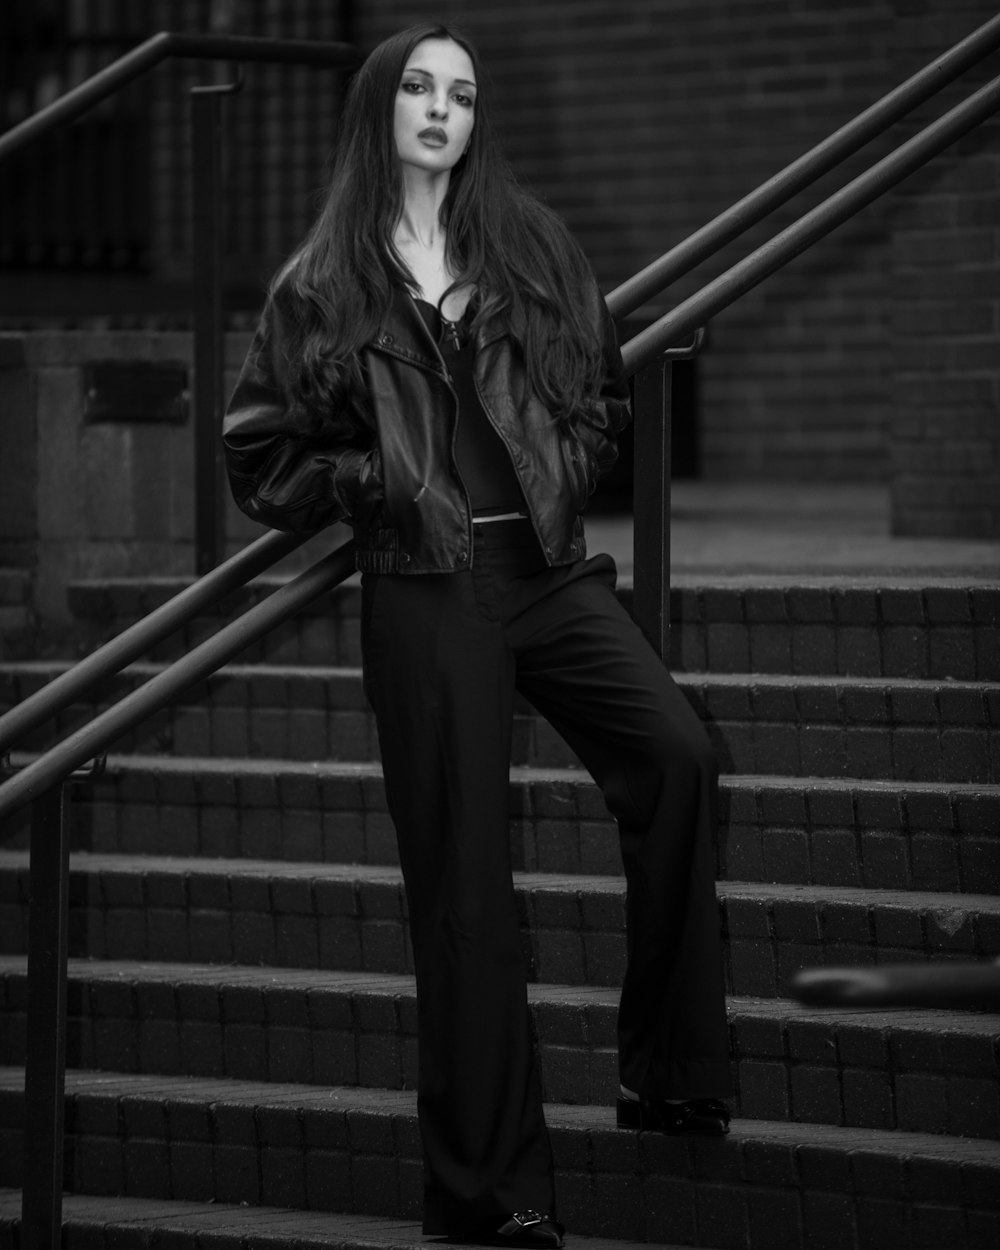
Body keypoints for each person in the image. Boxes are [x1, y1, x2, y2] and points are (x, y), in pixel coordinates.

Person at [223, 22, 732, 1248]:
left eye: (460, 91)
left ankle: (664, 1069)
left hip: (545, 571)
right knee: (465, 892)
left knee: (677, 755)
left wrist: (570, 462)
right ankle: (487, 1185)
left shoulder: (530, 246)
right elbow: (258, 454)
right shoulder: (322, 284)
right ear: (379, 109)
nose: (441, 108)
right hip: (424, 589)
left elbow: (601, 387)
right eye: (417, 87)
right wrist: (375, 486)